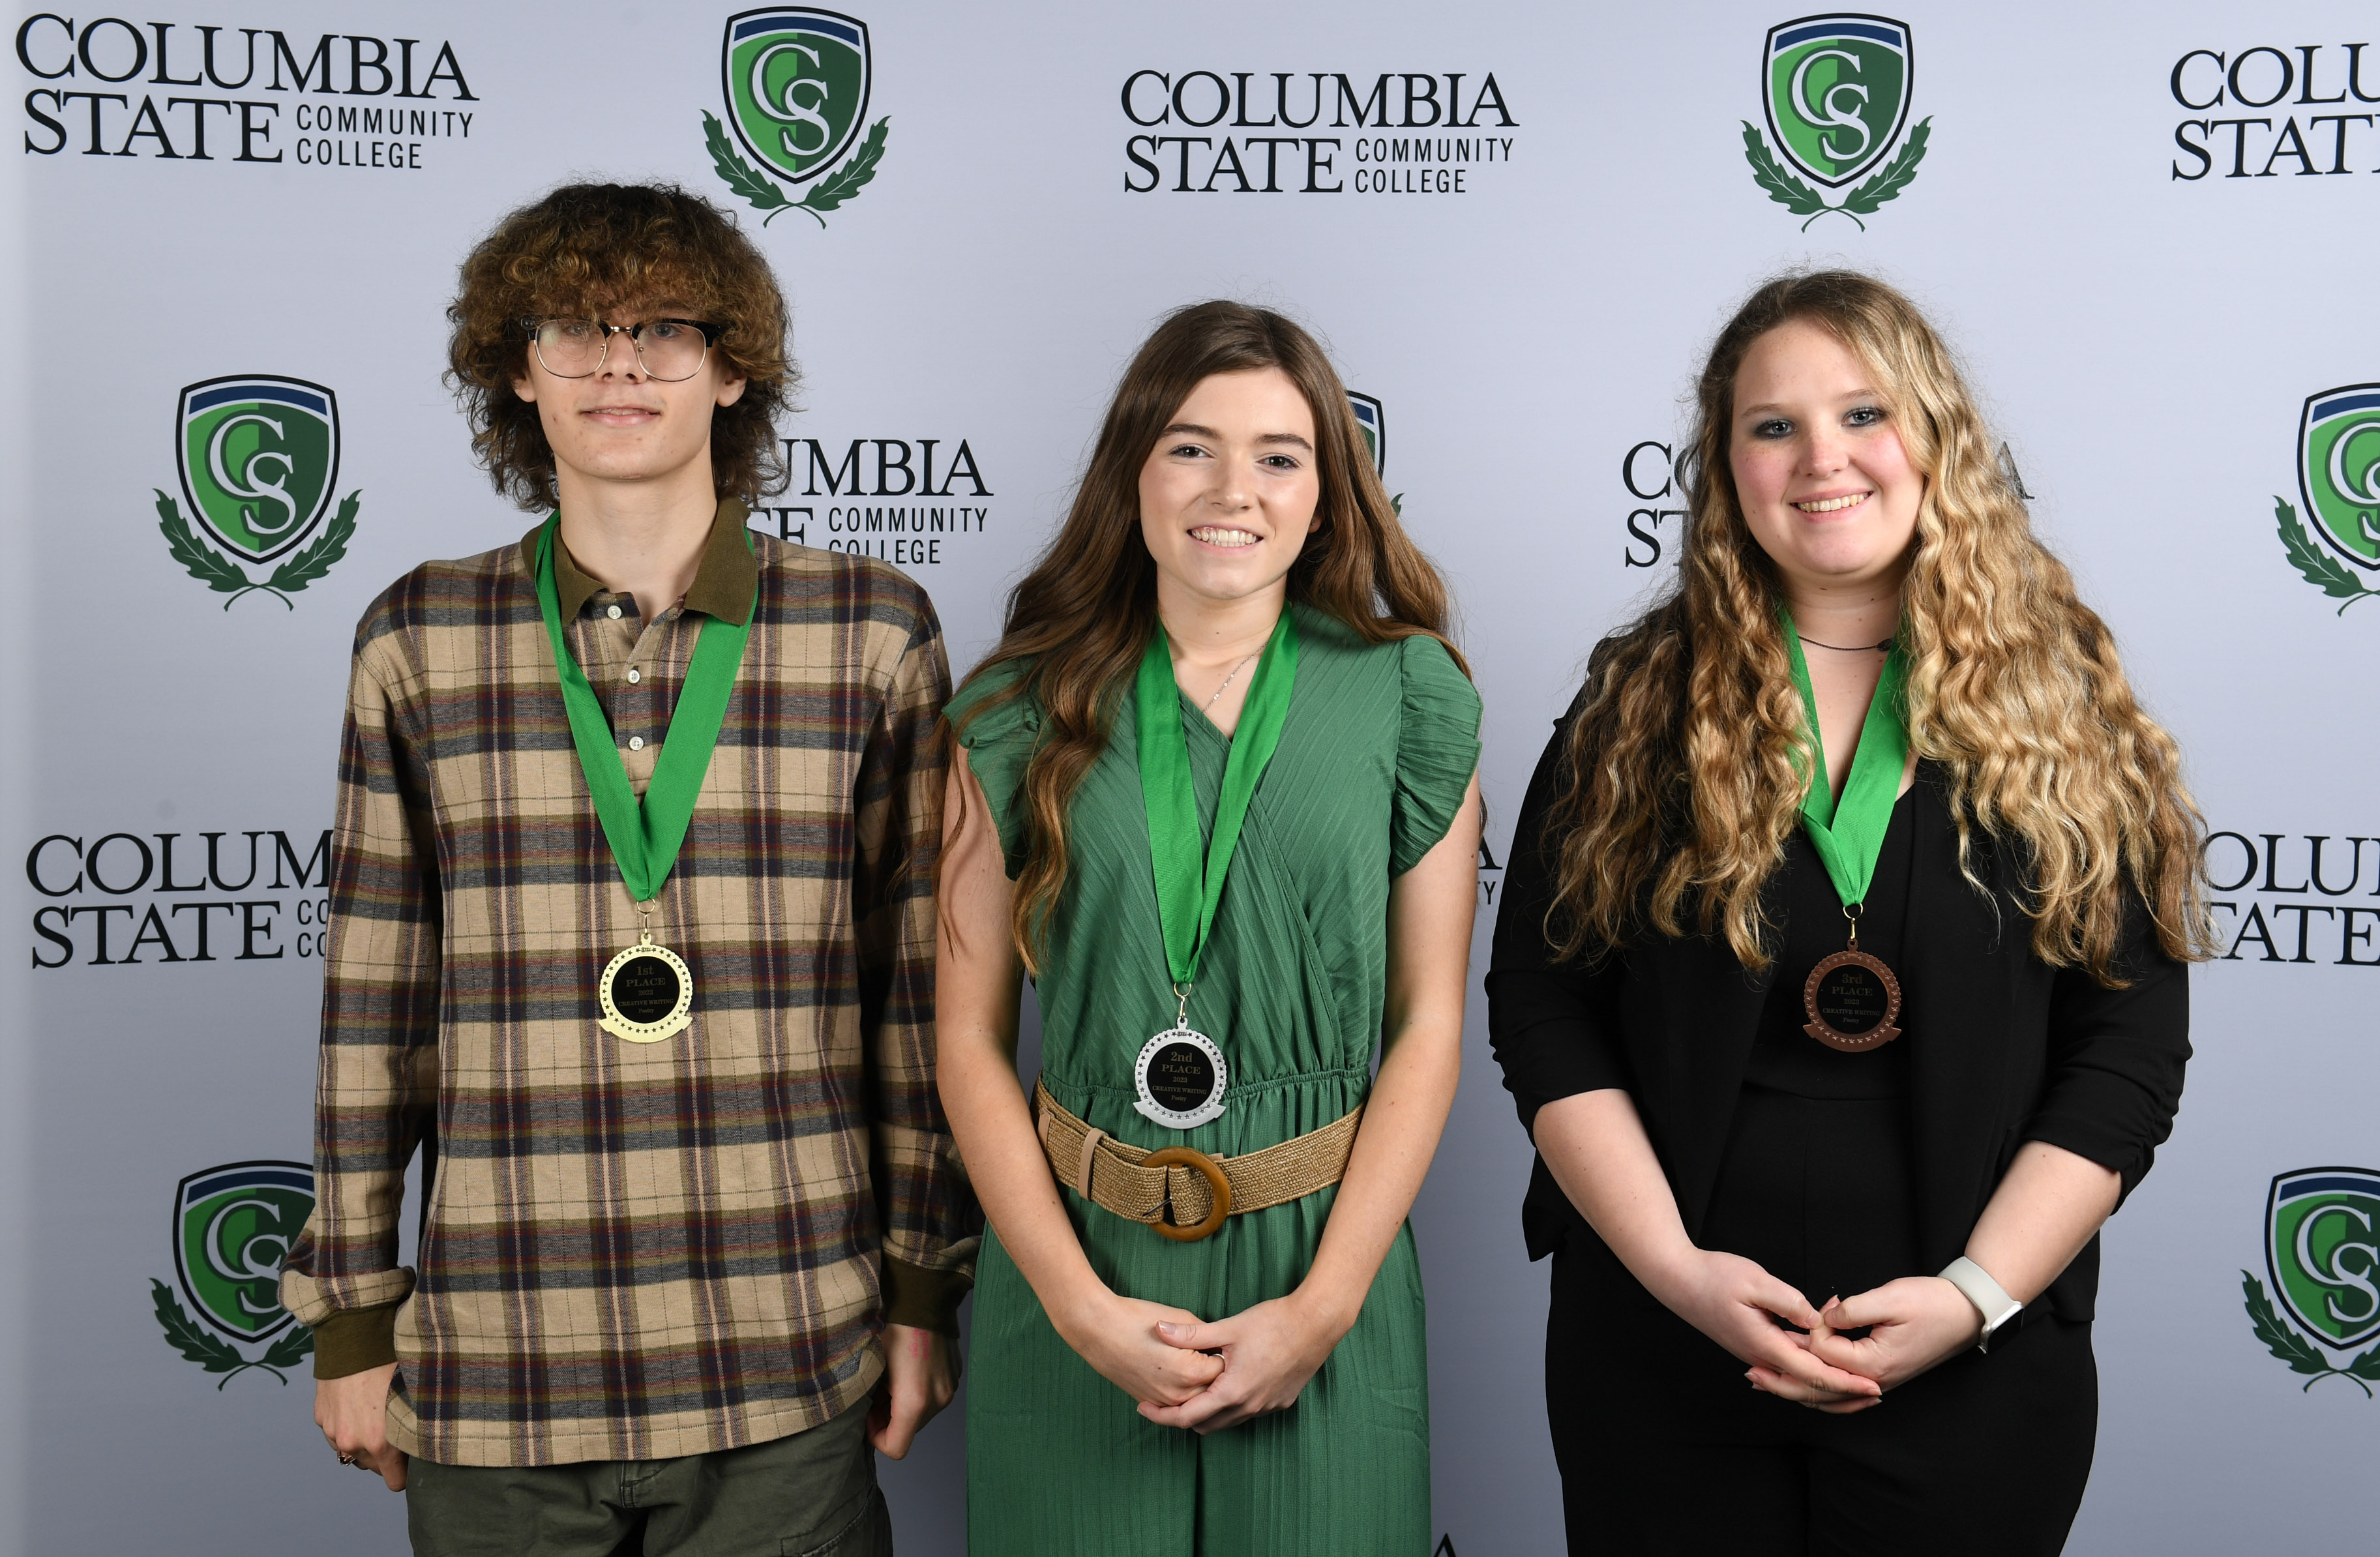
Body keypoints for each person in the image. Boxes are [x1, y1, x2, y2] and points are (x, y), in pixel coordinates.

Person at [278, 182, 977, 1556]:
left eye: (664, 329)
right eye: (573, 331)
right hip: (498, 1373)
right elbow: (372, 1011)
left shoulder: (872, 632)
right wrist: (354, 1312)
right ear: (514, 372)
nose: (618, 366)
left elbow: (917, 1009)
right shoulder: (418, 634)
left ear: (731, 372)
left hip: (785, 1351)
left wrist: (918, 1293)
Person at [1486, 271, 2208, 1555]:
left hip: (1970, 1369)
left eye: (1862, 413)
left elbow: (2127, 1046)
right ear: (1724, 469)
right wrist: (1672, 1276)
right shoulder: (1633, 709)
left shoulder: (2064, 709)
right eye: (1772, 426)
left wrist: (1974, 1296)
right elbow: (1544, 1007)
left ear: (1933, 439)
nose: (1821, 458)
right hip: (1662, 1357)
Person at [935, 301, 1482, 1556]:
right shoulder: (1013, 706)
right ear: (1131, 471)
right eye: (1189, 447)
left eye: (1279, 456)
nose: (1231, 489)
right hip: (1077, 1257)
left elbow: (1430, 1024)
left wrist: (1323, 1307)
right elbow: (965, 1041)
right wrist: (1076, 1311)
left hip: (1319, 1262)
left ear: (1328, 495)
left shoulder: (1411, 694)